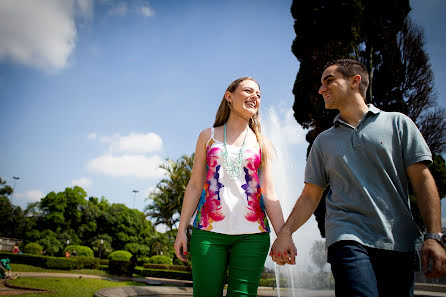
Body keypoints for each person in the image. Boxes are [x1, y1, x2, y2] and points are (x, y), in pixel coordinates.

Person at [270, 59, 446, 297]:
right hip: (346, 237)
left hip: (397, 243)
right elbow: (310, 196)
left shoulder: (398, 123)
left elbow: (423, 181)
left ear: (355, 81)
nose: (321, 89)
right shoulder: (323, 142)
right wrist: (285, 233)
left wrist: (434, 236)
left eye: (329, 81)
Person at [174, 77, 285, 297]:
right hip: (208, 234)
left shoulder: (264, 143)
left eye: (259, 95)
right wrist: (181, 230)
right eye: (248, 91)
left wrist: (283, 235)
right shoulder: (207, 136)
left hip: (253, 236)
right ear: (229, 96)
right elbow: (195, 185)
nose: (255, 97)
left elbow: (270, 192)